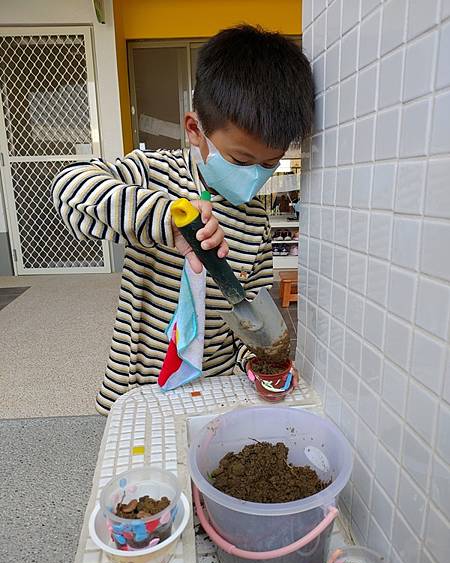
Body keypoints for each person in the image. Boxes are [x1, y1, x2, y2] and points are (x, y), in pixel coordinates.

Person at [52, 24, 313, 415]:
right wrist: (166, 218)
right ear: (195, 129)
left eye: (270, 164)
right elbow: (70, 188)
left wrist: (257, 362)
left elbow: (250, 311)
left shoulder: (256, 220)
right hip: (141, 382)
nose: (256, 174)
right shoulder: (154, 173)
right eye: (242, 160)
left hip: (214, 385)